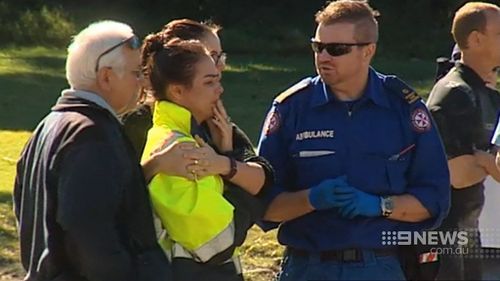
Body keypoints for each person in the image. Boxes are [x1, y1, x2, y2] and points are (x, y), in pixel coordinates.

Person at [256, 1, 450, 280]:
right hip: (308, 266)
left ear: (368, 51)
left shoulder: (403, 109)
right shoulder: (290, 109)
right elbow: (264, 204)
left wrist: (379, 205)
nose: (324, 56)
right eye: (318, 47)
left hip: (379, 265)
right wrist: (310, 199)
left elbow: (434, 200)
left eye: (336, 49)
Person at [12, 21, 183, 281]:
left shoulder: (48, 127)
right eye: (136, 73)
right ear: (106, 77)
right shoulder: (90, 134)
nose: (142, 84)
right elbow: (88, 230)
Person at [140, 34, 273, 280]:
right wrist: (249, 192)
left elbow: (266, 177)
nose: (220, 89)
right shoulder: (176, 148)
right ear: (178, 91)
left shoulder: (196, 133)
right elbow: (218, 243)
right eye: (210, 82)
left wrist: (226, 155)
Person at [426, 2, 500, 280]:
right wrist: (489, 161)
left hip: (469, 233)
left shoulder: (489, 95)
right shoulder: (455, 93)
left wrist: (483, 160)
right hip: (445, 237)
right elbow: (457, 175)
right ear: (475, 39)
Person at [122, 19, 226, 159]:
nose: (221, 65)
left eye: (219, 56)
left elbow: (262, 172)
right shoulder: (140, 125)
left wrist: (226, 152)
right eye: (212, 56)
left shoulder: (214, 120)